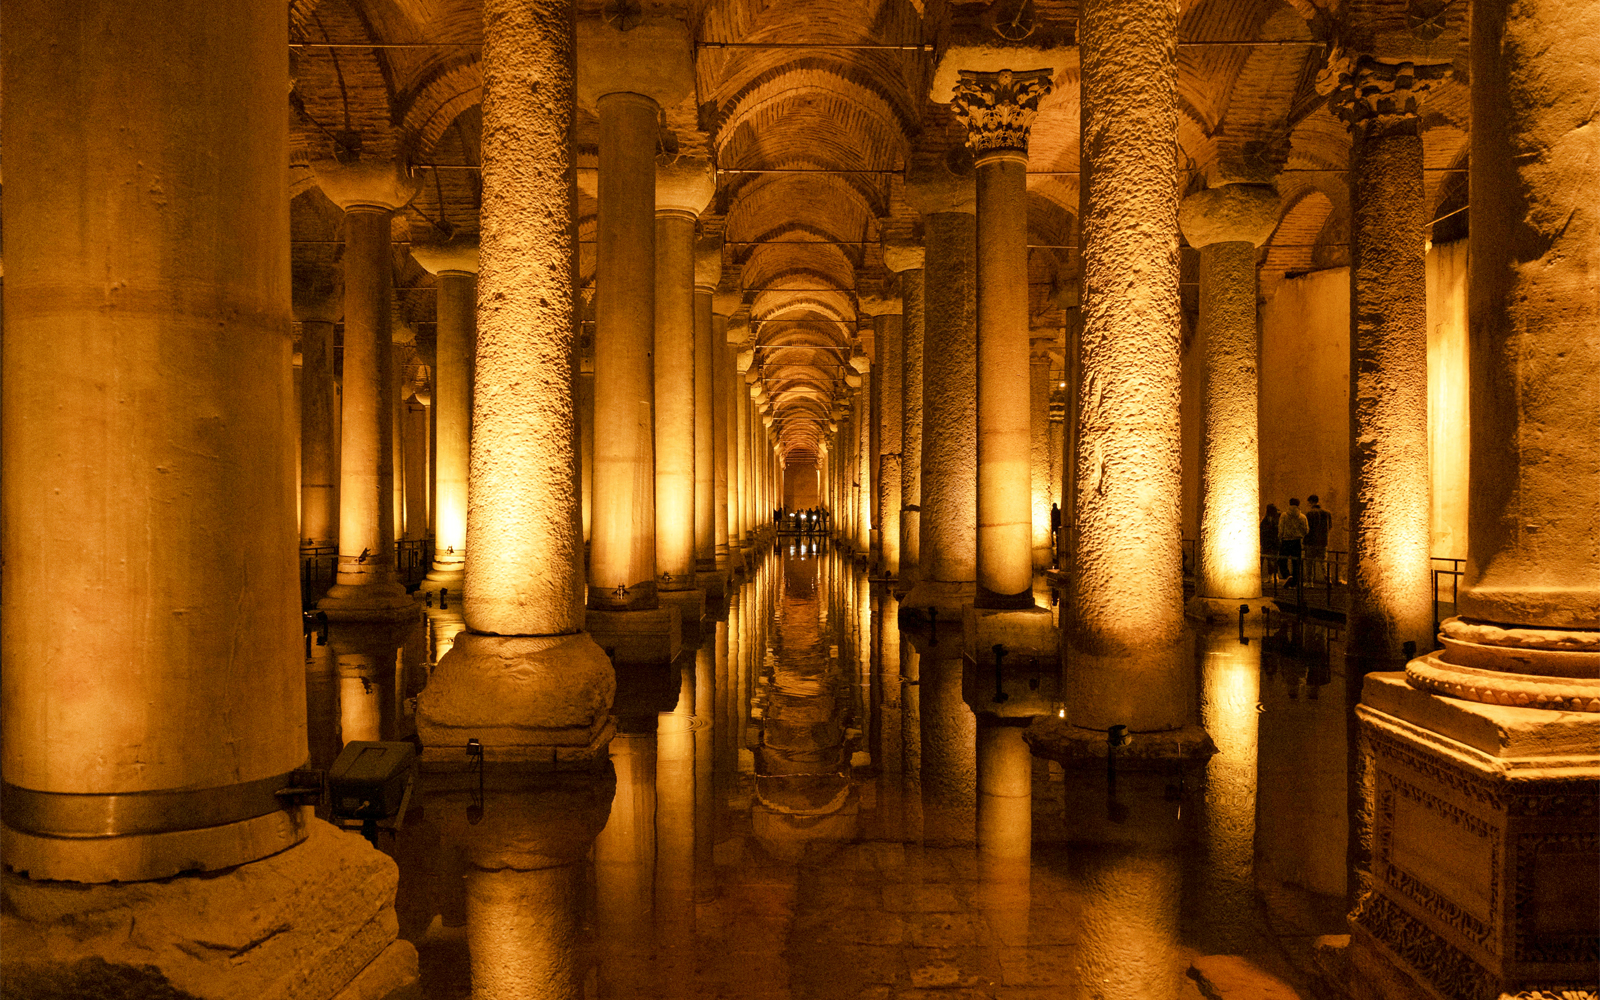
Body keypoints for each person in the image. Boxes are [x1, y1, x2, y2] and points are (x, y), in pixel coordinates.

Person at [1278, 498, 1310, 587]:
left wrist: (1280, 537)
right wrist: (1300, 534)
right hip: (1297, 541)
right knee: (1296, 563)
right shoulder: (1303, 517)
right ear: (1298, 504)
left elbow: (1280, 528)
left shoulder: (1284, 515)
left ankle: (1287, 575)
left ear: (1289, 503)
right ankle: (1294, 582)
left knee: (1282, 561)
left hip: (1286, 541)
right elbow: (1306, 530)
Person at [1304, 494, 1332, 584]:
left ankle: (1310, 582)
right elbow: (1330, 526)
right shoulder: (1327, 513)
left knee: (1309, 563)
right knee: (1324, 563)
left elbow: (1307, 528)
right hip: (1323, 541)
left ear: (1311, 502)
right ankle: (1328, 579)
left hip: (1311, 541)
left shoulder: (1309, 514)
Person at [1260, 504, 1280, 583]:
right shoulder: (1277, 519)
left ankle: (1270, 577)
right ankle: (1274, 576)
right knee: (1273, 560)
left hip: (1266, 543)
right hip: (1275, 543)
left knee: (1266, 560)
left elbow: (1262, 531)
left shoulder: (1265, 520)